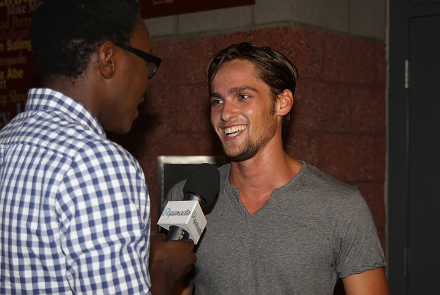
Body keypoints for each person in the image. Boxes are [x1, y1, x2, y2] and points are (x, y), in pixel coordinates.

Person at [0, 0, 195, 294]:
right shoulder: (97, 163)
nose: (147, 81)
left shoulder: (7, 141)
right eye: (146, 63)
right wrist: (163, 270)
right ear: (108, 60)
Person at [167, 42, 389, 294]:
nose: (225, 113)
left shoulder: (340, 206)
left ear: (282, 102)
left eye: (242, 96)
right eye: (217, 100)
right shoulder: (185, 199)